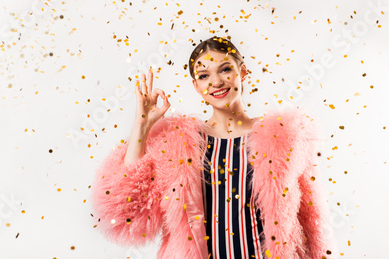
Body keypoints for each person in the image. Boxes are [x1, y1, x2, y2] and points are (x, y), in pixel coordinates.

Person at [91, 36, 337, 259]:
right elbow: (126, 211)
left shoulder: (283, 139)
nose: (216, 81)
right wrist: (142, 126)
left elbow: (310, 220)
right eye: (204, 75)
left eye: (225, 69)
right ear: (196, 86)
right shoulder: (178, 145)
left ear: (243, 73)